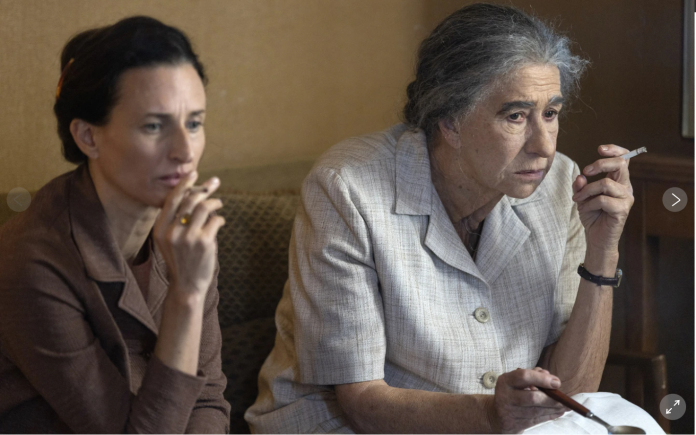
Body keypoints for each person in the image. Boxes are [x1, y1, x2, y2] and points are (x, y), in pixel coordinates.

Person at [246, 4, 635, 433]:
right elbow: (361, 403)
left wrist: (603, 251)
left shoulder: (559, 185)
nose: (544, 145)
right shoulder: (346, 189)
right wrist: (492, 414)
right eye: (516, 116)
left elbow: (569, 392)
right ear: (450, 121)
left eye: (550, 113)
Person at [0, 16, 230, 433]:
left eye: (194, 123)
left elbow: (209, 398)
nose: (184, 151)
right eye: (154, 125)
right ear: (88, 137)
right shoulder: (30, 262)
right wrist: (186, 295)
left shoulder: (188, 230)